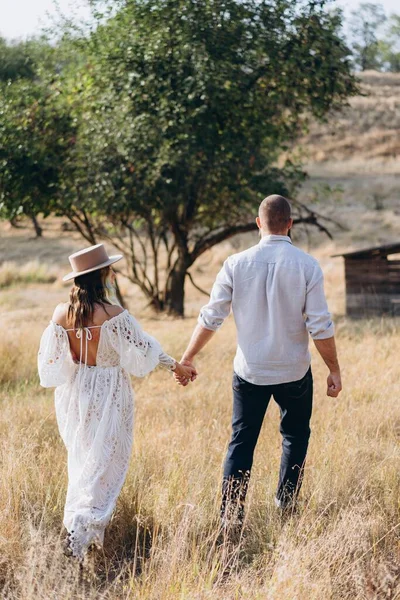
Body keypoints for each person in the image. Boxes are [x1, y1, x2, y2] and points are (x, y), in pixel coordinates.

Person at [175, 195, 342, 528]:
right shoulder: (307, 265)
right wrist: (334, 369)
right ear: (290, 224)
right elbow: (320, 324)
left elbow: (212, 317)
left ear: (258, 223)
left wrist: (188, 357)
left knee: (242, 440)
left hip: (249, 371)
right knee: (295, 436)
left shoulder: (236, 264)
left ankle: (231, 516)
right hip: (294, 370)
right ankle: (285, 501)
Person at [38, 243, 196, 559]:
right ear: (103, 275)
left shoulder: (61, 314)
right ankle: (82, 529)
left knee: (84, 462)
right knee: (104, 463)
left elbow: (51, 362)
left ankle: (80, 532)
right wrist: (177, 367)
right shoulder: (114, 314)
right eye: (109, 269)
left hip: (75, 392)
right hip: (109, 389)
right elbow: (147, 348)